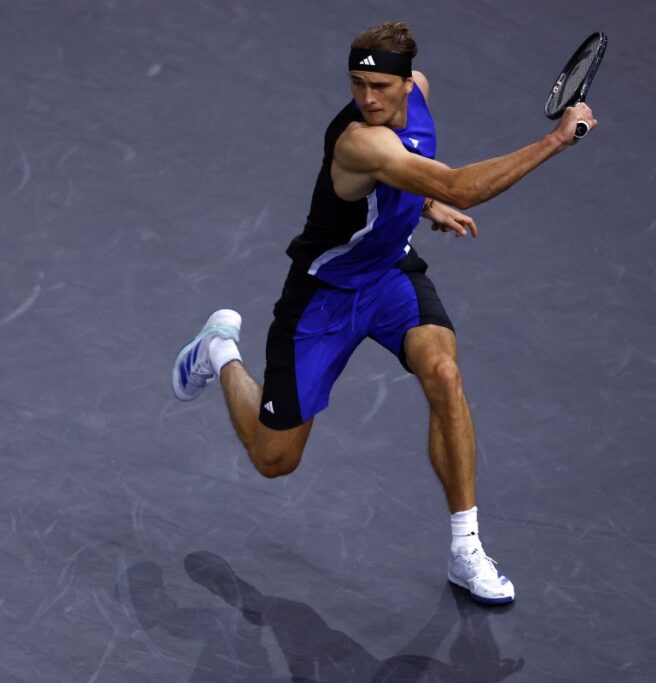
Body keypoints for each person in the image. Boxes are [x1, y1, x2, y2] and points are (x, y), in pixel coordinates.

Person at [171, 21, 597, 605]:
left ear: (405, 83)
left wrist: (421, 206)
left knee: (444, 373)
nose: (367, 98)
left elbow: (420, 178)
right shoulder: (358, 140)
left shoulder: (417, 88)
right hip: (324, 296)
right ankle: (219, 350)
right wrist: (554, 140)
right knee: (275, 460)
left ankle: (465, 550)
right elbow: (459, 187)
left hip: (390, 275)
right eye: (356, 83)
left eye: (379, 85)